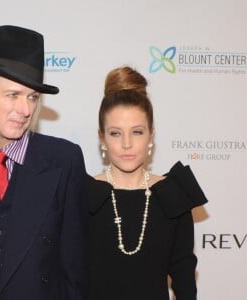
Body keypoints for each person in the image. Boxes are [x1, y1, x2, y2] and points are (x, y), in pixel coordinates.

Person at [0, 25, 87, 300]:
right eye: (13, 95)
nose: (26, 110)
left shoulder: (64, 161)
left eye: (33, 97)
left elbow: (75, 271)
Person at [87, 66, 208, 300]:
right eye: (115, 133)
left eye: (137, 132)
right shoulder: (84, 195)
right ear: (101, 137)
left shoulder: (172, 194)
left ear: (151, 135)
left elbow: (184, 280)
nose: (127, 144)